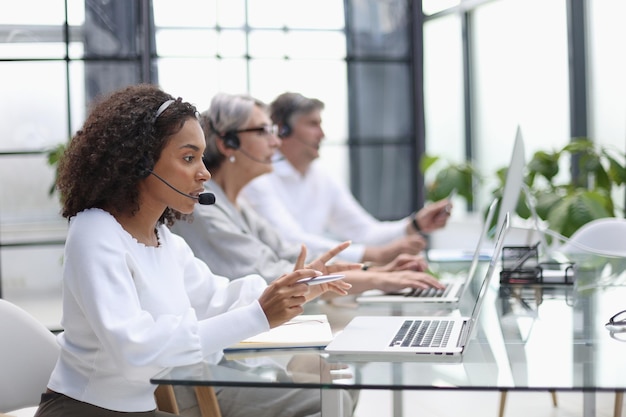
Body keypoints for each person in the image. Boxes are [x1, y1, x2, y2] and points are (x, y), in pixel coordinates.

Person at [33, 84, 354, 417]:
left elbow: (217, 300)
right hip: (83, 410)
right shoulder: (95, 231)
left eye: (201, 157)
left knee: (331, 400)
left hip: (141, 411)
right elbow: (135, 352)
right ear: (141, 162)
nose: (204, 173)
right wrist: (258, 315)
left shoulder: (165, 241)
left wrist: (295, 288)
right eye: (188, 158)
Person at [170, 92, 444, 295]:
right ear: (228, 143)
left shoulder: (235, 203)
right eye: (264, 132)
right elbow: (272, 274)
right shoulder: (204, 207)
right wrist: (376, 278)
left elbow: (289, 255)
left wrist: (378, 271)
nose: (275, 142)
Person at [241, 92, 453, 266]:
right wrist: (374, 255)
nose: (322, 134)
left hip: (315, 286)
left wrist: (415, 224)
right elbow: (290, 240)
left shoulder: (322, 176)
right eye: (313, 124)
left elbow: (363, 231)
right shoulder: (259, 176)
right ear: (282, 129)